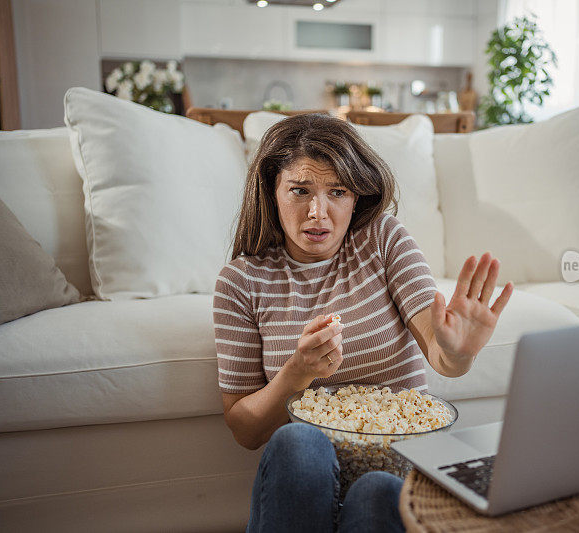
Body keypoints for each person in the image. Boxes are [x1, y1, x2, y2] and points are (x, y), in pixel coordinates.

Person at [213, 113, 513, 533]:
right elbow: (244, 429)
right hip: (303, 481)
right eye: (300, 190)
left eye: (337, 191)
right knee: (299, 442)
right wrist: (295, 375)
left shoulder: (382, 239)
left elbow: (441, 353)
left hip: (392, 472)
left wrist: (459, 351)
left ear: (357, 196)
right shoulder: (241, 282)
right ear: (271, 191)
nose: (318, 212)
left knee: (376, 490)